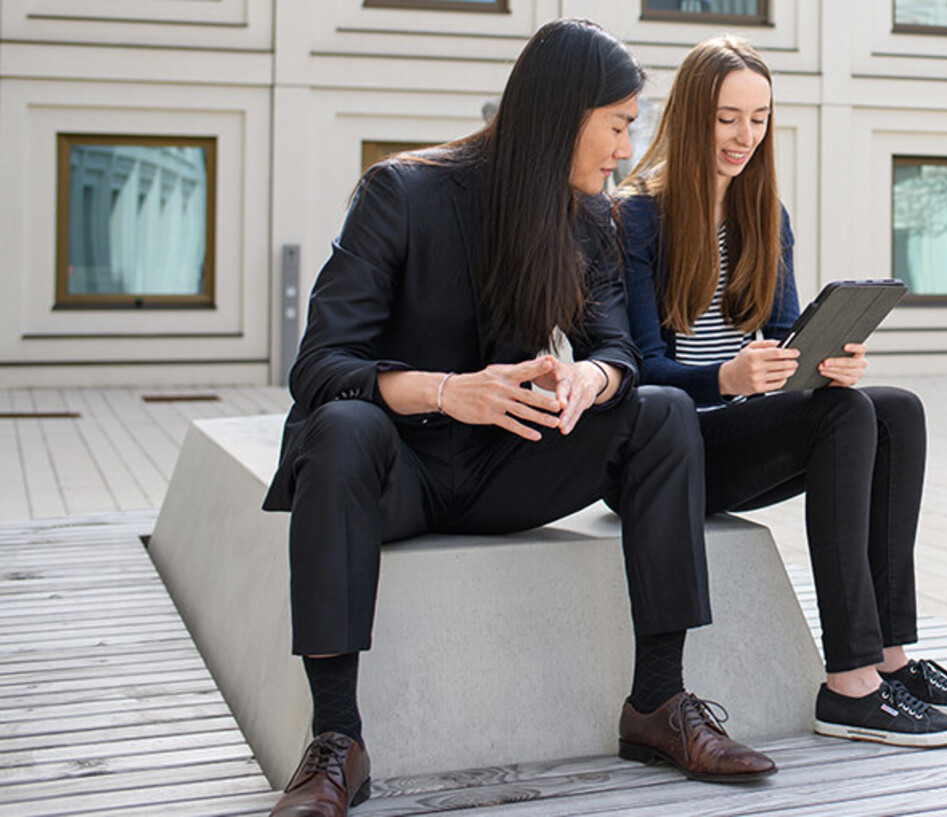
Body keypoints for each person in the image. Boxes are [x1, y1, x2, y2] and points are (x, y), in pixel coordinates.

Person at [263, 19, 774, 816]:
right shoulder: (400, 192)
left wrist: (589, 380)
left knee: (662, 411)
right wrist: (442, 390)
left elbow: (617, 349)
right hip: (396, 471)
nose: (625, 147)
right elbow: (319, 367)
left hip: (508, 467)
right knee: (340, 427)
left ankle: (659, 702)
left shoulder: (585, 215)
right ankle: (336, 741)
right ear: (563, 115)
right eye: (617, 124)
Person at [616, 35, 947, 750]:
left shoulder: (765, 216)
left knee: (894, 409)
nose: (744, 136)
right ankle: (849, 682)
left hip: (740, 433)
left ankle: (888, 657)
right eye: (728, 117)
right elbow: (635, 369)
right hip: (669, 453)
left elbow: (787, 337)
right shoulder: (636, 216)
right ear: (693, 114)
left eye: (757, 118)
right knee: (847, 417)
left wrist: (825, 361)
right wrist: (724, 377)